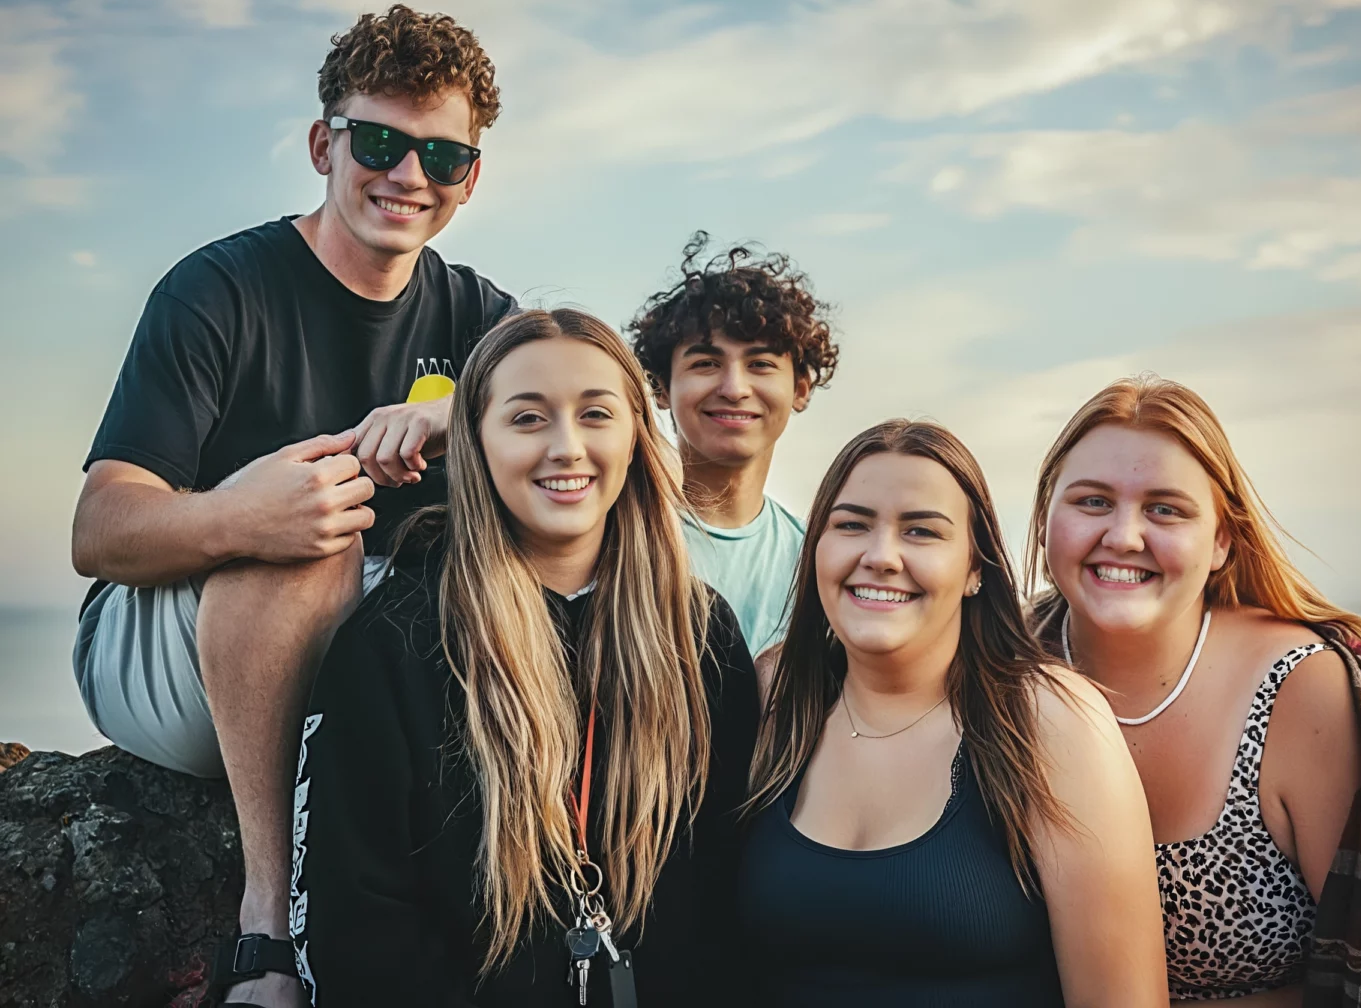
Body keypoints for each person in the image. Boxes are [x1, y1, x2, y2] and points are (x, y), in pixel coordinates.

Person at [68, 6, 513, 1005]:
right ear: (325, 144)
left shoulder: (484, 322)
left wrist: (462, 423)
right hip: (168, 656)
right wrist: (244, 516)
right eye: (383, 143)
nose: (408, 176)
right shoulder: (218, 290)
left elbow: (588, 442)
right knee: (321, 520)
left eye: (440, 154)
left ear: (469, 177)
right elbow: (99, 529)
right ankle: (268, 933)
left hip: (353, 664)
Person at [290, 309, 760, 1006]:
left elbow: (735, 890)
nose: (566, 447)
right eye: (528, 419)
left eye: (596, 414)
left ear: (636, 436)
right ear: (477, 442)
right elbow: (353, 923)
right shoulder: (398, 638)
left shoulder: (701, 635)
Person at [1024, 375, 1361, 1007]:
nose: (1123, 536)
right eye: (1091, 502)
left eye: (1165, 508)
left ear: (1222, 540)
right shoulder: (1001, 670)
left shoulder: (1306, 693)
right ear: (1044, 519)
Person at [738, 419, 1168, 1007]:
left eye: (920, 531)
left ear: (974, 570)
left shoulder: (1050, 721)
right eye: (852, 525)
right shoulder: (773, 696)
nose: (881, 556)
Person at [627, 232, 839, 663]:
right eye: (705, 364)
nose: (734, 388)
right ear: (661, 387)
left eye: (761, 365)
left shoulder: (819, 562)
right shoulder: (616, 533)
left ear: (800, 389)